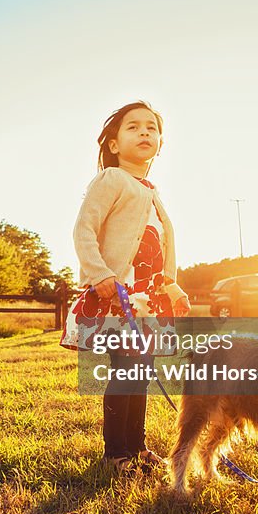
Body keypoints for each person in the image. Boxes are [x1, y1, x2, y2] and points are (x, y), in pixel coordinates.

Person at [59, 100, 192, 473]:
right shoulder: (111, 180)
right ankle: (116, 453)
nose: (144, 132)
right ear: (114, 144)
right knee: (126, 369)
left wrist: (171, 285)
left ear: (161, 143)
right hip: (118, 294)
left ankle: (137, 446)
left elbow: (160, 246)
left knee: (141, 369)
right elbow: (84, 229)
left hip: (148, 300)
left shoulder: (153, 192)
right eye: (133, 127)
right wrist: (99, 273)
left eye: (151, 127)